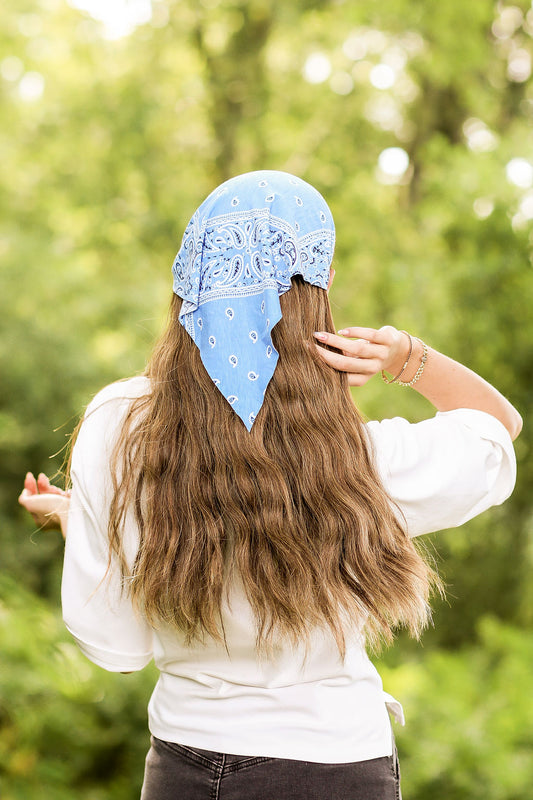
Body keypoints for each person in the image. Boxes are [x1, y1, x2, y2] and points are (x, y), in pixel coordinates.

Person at [19, 170, 521, 800]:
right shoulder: (360, 459)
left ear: (186, 278)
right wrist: (402, 356)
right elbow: (500, 428)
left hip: (187, 771)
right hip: (342, 769)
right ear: (322, 287)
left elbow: (116, 646)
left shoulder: (120, 425)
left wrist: (84, 523)